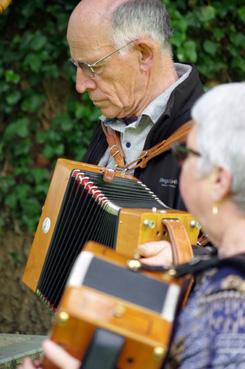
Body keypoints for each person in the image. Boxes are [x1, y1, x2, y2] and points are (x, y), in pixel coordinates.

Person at [19, 83, 245, 369]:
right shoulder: (220, 277)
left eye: (186, 155)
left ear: (218, 181)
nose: (180, 162)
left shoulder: (227, 308)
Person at [68, 0, 203, 209]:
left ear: (144, 54)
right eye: (76, 65)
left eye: (92, 67)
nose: (80, 85)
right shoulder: (111, 127)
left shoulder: (216, 140)